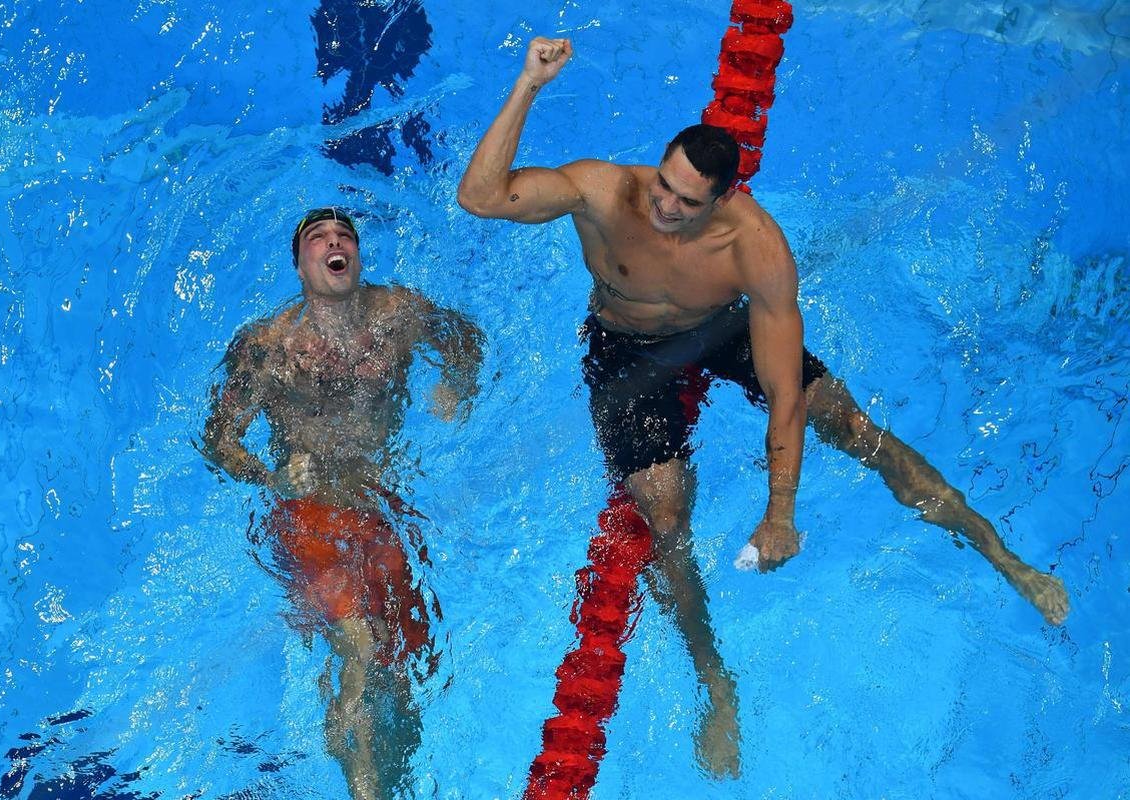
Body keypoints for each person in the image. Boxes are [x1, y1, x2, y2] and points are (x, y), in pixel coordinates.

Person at [457, 37, 1069, 778]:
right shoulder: (601, 189)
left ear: (724, 200)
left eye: (687, 203)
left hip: (718, 326)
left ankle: (1001, 554)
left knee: (848, 422)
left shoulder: (755, 249)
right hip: (626, 348)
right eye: (664, 186)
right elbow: (481, 197)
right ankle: (715, 678)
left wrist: (781, 511)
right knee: (665, 511)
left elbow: (785, 394)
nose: (666, 207)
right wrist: (528, 84)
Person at [202, 207, 483, 800]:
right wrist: (272, 477)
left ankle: (397, 788)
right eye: (318, 239)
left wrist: (455, 386)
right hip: (307, 517)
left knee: (404, 674)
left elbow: (466, 339)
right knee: (361, 648)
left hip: (383, 510)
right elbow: (218, 440)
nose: (335, 243)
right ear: (301, 266)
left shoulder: (397, 315)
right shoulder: (268, 345)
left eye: (345, 237)